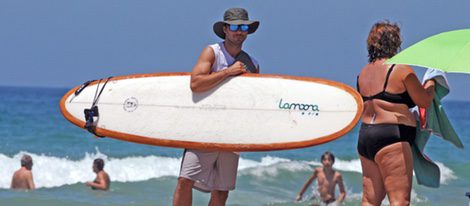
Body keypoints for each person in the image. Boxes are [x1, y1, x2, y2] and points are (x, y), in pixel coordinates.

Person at [172, 8, 260, 206]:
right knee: (185, 180)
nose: (240, 31)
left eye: (244, 27)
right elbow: (196, 83)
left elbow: (254, 104)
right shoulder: (212, 52)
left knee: (221, 192)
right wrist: (228, 72)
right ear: (226, 29)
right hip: (204, 129)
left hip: (232, 133)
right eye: (236, 26)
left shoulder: (253, 65)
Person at [356, 21, 435, 206]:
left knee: (369, 200)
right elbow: (424, 101)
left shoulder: (363, 73)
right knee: (400, 200)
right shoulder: (400, 69)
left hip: (366, 135)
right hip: (392, 137)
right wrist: (431, 83)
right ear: (394, 42)